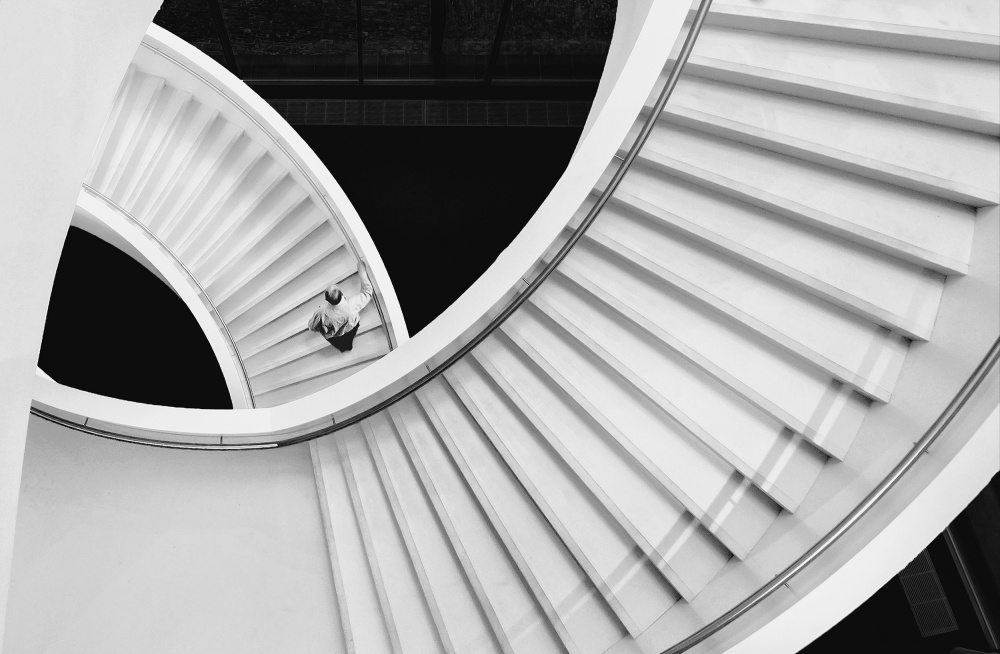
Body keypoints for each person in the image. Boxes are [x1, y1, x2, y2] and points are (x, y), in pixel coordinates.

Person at [307, 259, 373, 352]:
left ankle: (345, 348)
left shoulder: (321, 312)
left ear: (326, 299)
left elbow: (312, 327)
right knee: (349, 341)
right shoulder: (352, 305)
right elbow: (367, 292)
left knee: (341, 345)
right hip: (351, 329)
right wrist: (362, 272)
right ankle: (348, 347)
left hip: (333, 336)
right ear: (341, 294)